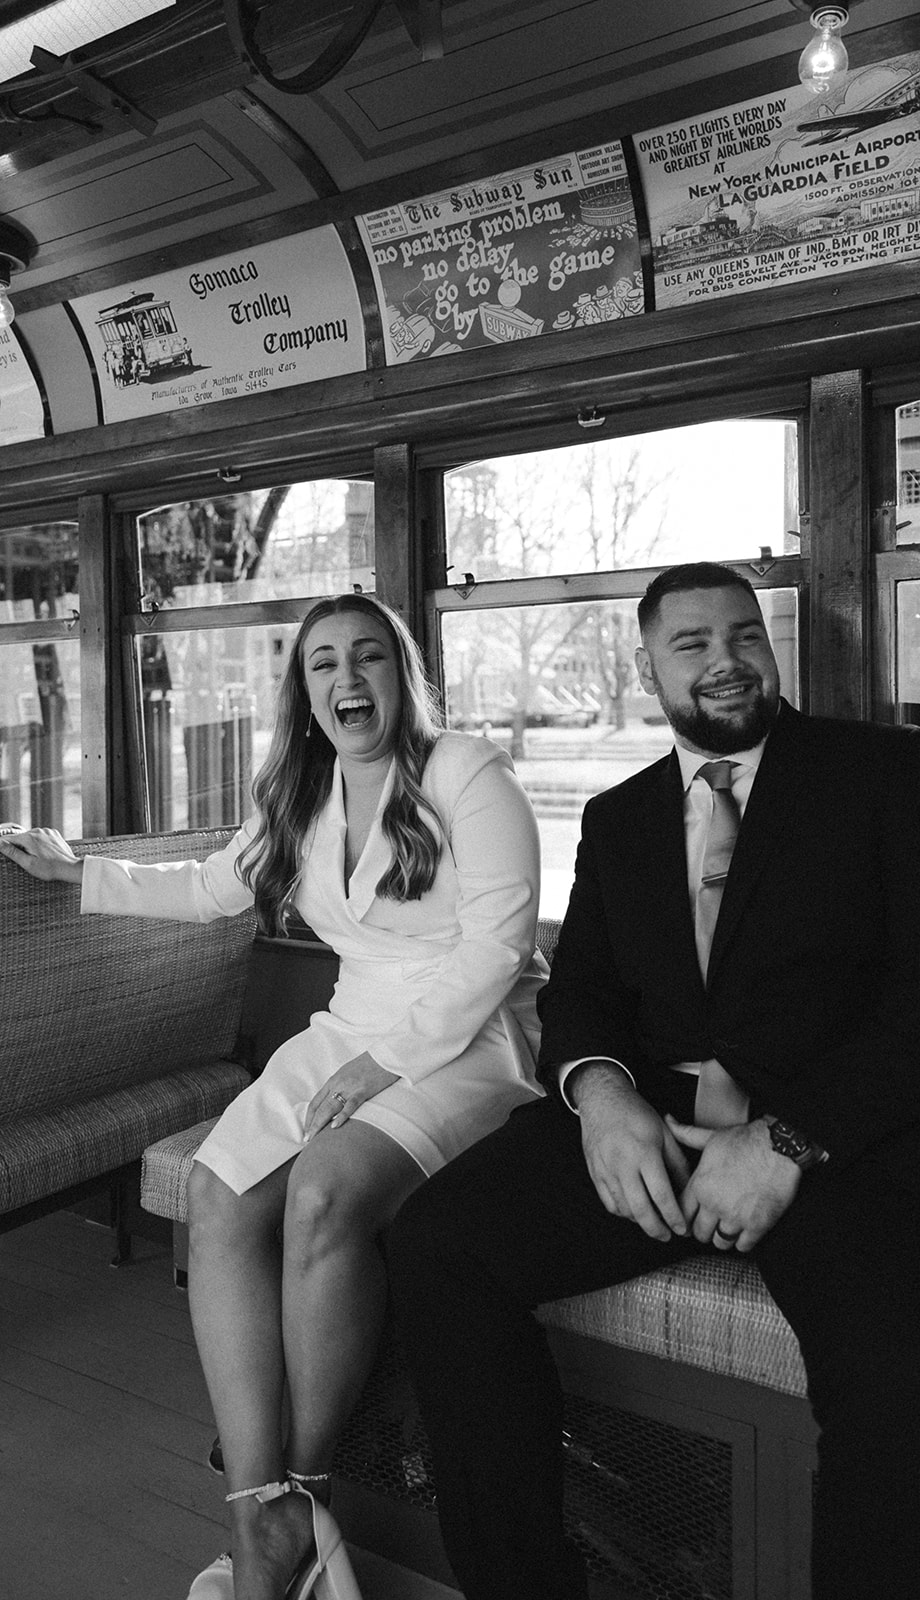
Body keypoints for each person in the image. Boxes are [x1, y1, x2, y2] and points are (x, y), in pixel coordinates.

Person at [387, 561, 920, 1600]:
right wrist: (599, 1097)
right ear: (646, 670)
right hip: (659, 1124)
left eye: (743, 635)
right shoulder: (620, 816)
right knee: (435, 1243)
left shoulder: (884, 772)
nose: (724, 659)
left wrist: (788, 1139)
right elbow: (578, 991)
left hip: (854, 1130)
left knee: (903, 1384)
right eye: (691, 643)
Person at [0, 592, 547, 1600]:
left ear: (402, 672)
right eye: (324, 662)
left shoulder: (467, 771)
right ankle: (263, 1513)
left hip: (472, 1035)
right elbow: (213, 885)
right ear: (303, 690)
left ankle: (303, 1481)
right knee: (215, 1190)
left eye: (369, 656)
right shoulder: (296, 790)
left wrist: (391, 1065)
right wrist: (82, 872)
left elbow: (501, 944)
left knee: (325, 1190)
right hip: (348, 1020)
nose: (348, 678)